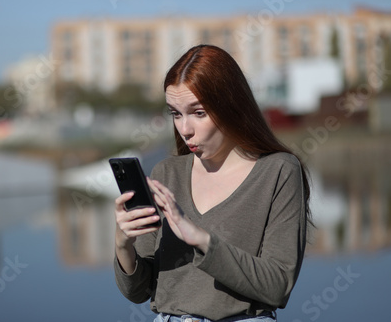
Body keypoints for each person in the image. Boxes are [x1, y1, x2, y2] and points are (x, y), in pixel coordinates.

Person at [113, 44, 311, 322]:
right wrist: (123, 245)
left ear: (231, 105)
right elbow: (140, 292)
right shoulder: (165, 174)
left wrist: (201, 239)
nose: (185, 129)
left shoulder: (278, 171)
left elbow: (277, 286)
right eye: (176, 113)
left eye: (199, 112)